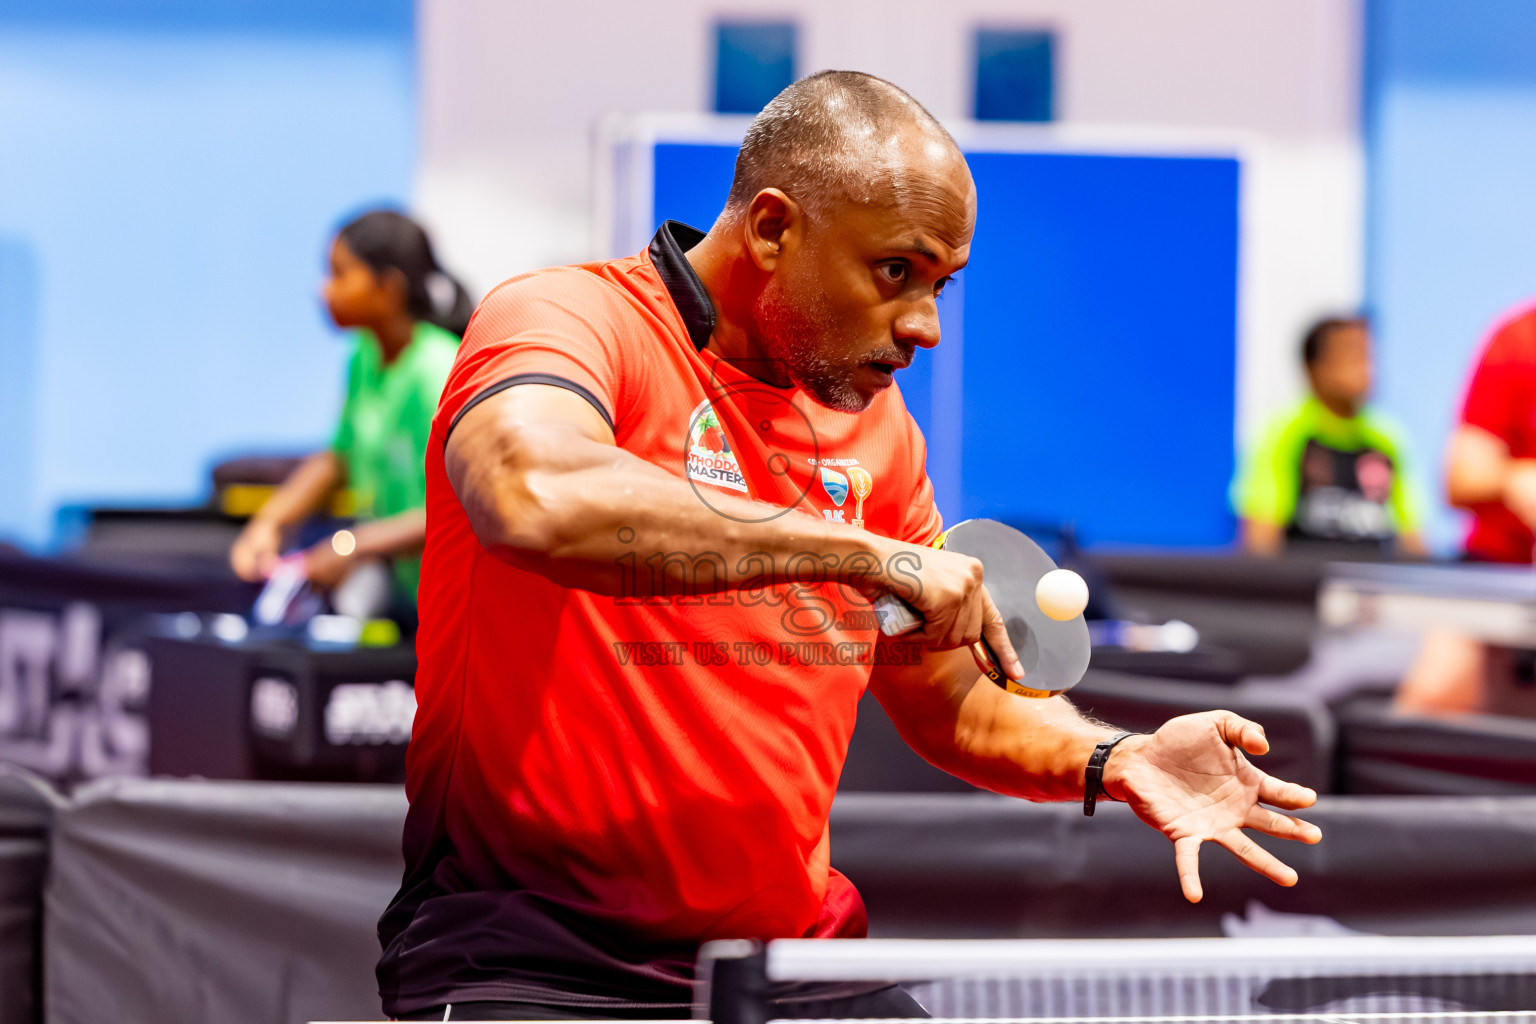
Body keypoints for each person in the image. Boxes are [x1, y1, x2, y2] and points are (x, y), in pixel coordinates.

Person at [378, 72, 1322, 1022]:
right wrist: (863, 553)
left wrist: (1115, 758)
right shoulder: (571, 320)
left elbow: (948, 698)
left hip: (790, 967)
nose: (926, 327)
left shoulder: (881, 432)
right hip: (537, 958)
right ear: (772, 229)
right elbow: (534, 495)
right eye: (896, 271)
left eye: (941, 284)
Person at [228, 210, 471, 620]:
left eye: (339, 275)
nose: (323, 289)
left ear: (387, 288)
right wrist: (270, 522)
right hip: (407, 593)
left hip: (455, 605)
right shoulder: (364, 357)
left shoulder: (438, 371)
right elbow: (339, 456)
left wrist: (353, 546)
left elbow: (461, 510)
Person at [1233, 316, 1426, 558]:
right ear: (1313, 368)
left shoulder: (1387, 439)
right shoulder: (1286, 434)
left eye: (1367, 356)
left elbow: (1412, 539)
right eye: (1349, 355)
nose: (1363, 367)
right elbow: (1261, 540)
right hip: (1304, 579)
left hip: (1371, 579)